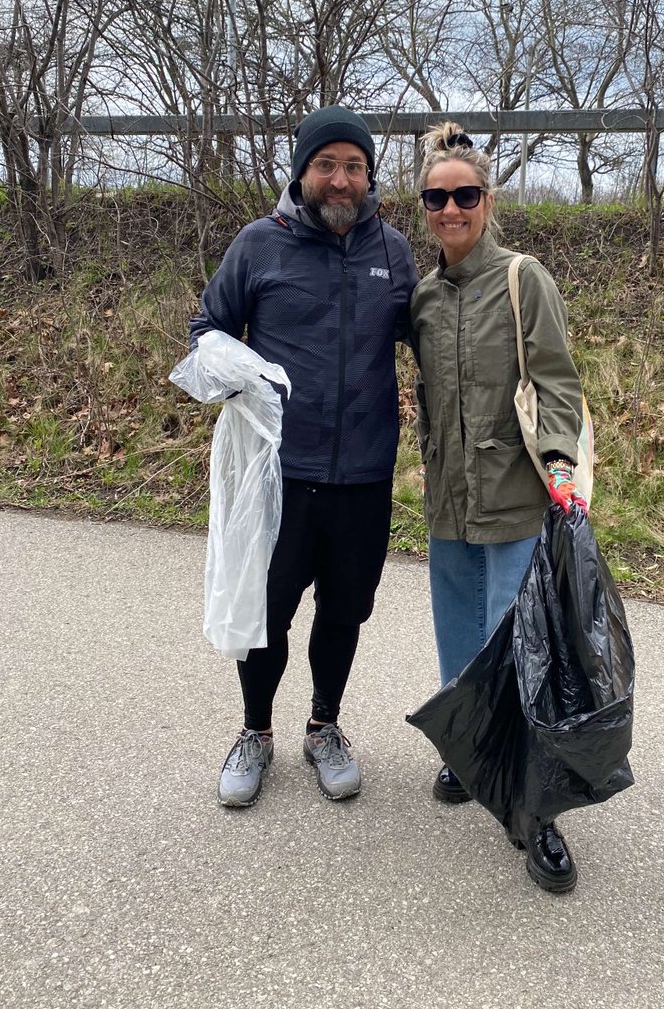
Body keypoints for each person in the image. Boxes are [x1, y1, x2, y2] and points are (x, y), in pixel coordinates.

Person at [189, 105, 418, 808]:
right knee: (268, 612)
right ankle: (255, 732)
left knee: (345, 612)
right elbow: (208, 329)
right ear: (303, 172)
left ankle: (325, 726)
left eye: (354, 166)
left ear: (369, 175)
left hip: (365, 474)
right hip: (280, 474)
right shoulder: (260, 244)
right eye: (327, 165)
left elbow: (435, 339)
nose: (341, 179)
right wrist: (240, 378)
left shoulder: (394, 250)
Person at [410, 122, 587, 893]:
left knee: (521, 655)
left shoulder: (523, 278)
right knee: (461, 650)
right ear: (422, 206)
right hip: (449, 502)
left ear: (487, 199)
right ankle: (469, 756)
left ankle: (538, 812)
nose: (452, 209)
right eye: (436, 197)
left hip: (516, 498)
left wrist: (557, 462)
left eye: (465, 195)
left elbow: (556, 379)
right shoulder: (422, 295)